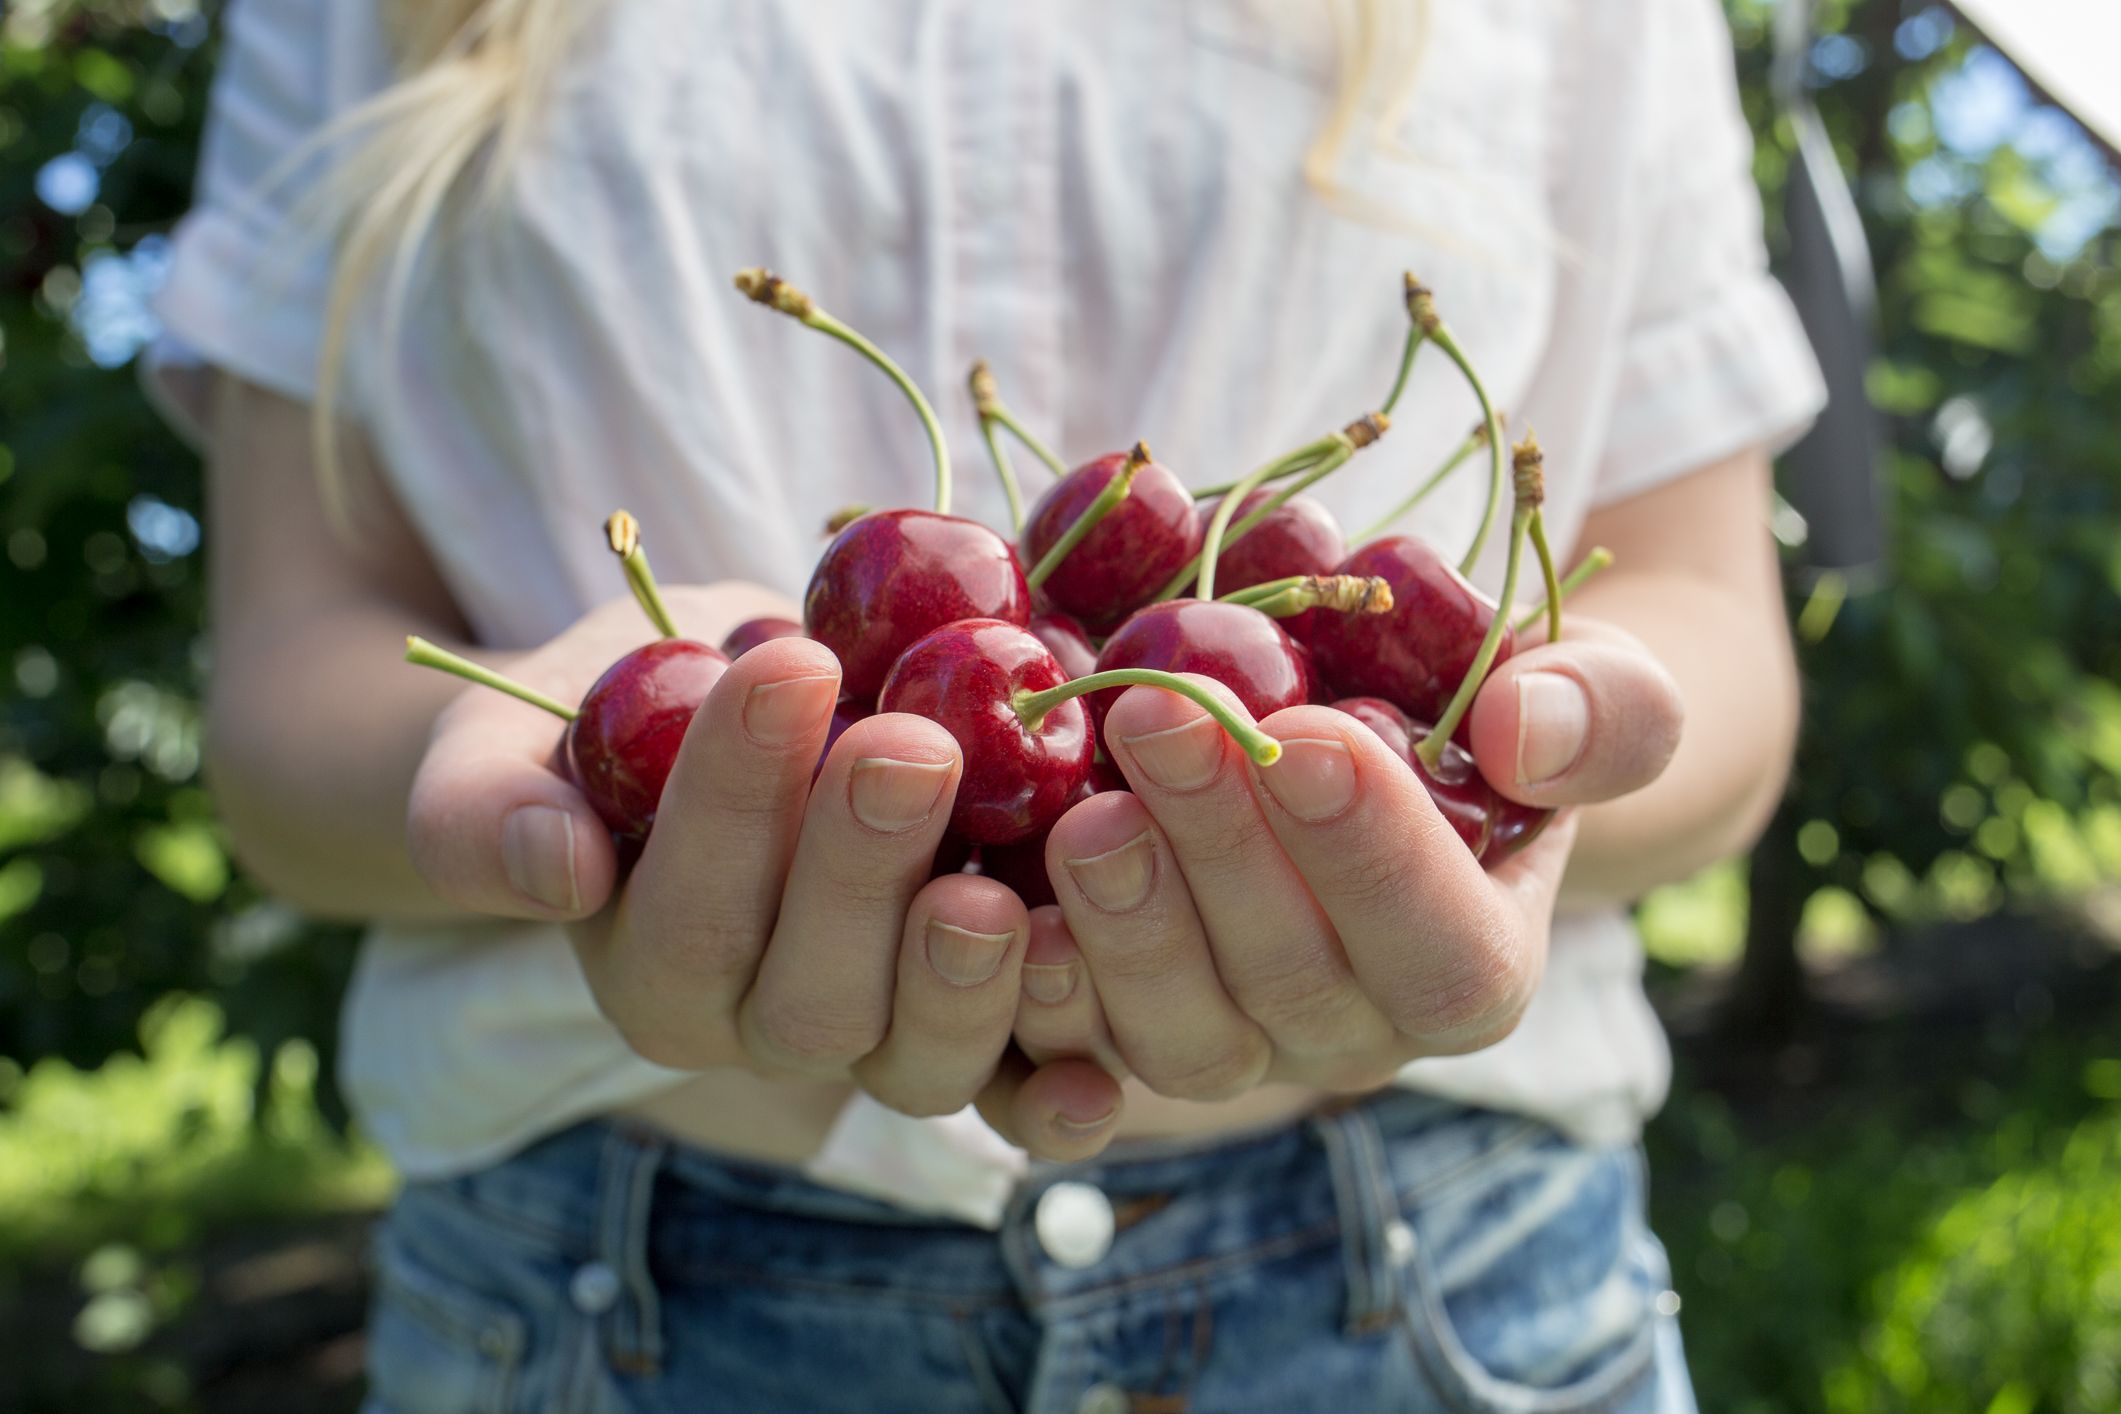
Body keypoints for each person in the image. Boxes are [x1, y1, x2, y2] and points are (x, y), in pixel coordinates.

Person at [148, 0, 1826, 1408]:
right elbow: (292, 689)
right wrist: (553, 778)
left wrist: (1518, 772)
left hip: (1440, 1276)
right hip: (600, 1296)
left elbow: (1711, 639)